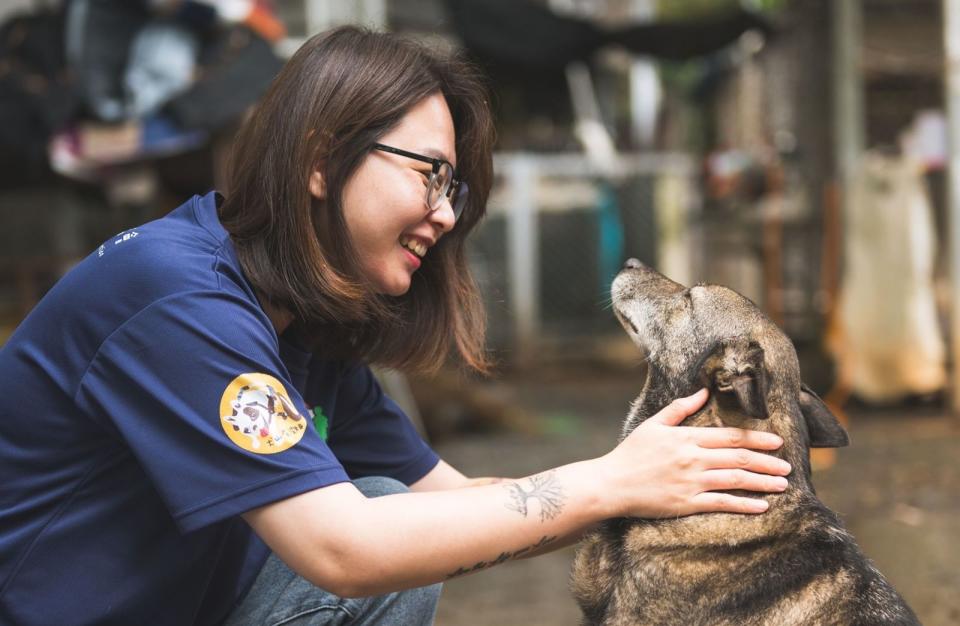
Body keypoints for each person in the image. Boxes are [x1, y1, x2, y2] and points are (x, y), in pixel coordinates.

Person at [0, 26, 791, 626]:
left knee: (402, 516)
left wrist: (656, 482)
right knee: (379, 529)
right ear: (321, 158)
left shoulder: (302, 327)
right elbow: (344, 551)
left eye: (456, 189)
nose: (446, 215)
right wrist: (610, 480)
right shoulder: (177, 299)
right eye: (431, 175)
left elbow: (469, 502)